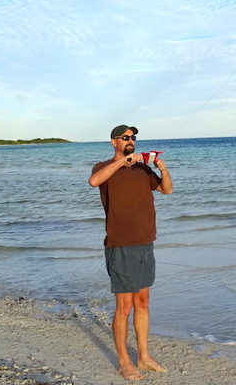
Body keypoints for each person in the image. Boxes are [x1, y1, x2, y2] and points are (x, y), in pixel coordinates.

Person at [88, 124, 173, 381]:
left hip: (145, 241)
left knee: (143, 302)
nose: (131, 141)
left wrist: (162, 167)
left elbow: (166, 189)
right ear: (114, 141)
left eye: (133, 138)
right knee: (124, 306)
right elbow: (93, 182)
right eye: (125, 137)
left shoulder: (142, 169)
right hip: (120, 243)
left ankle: (144, 356)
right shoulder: (103, 167)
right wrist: (123, 161)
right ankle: (124, 361)